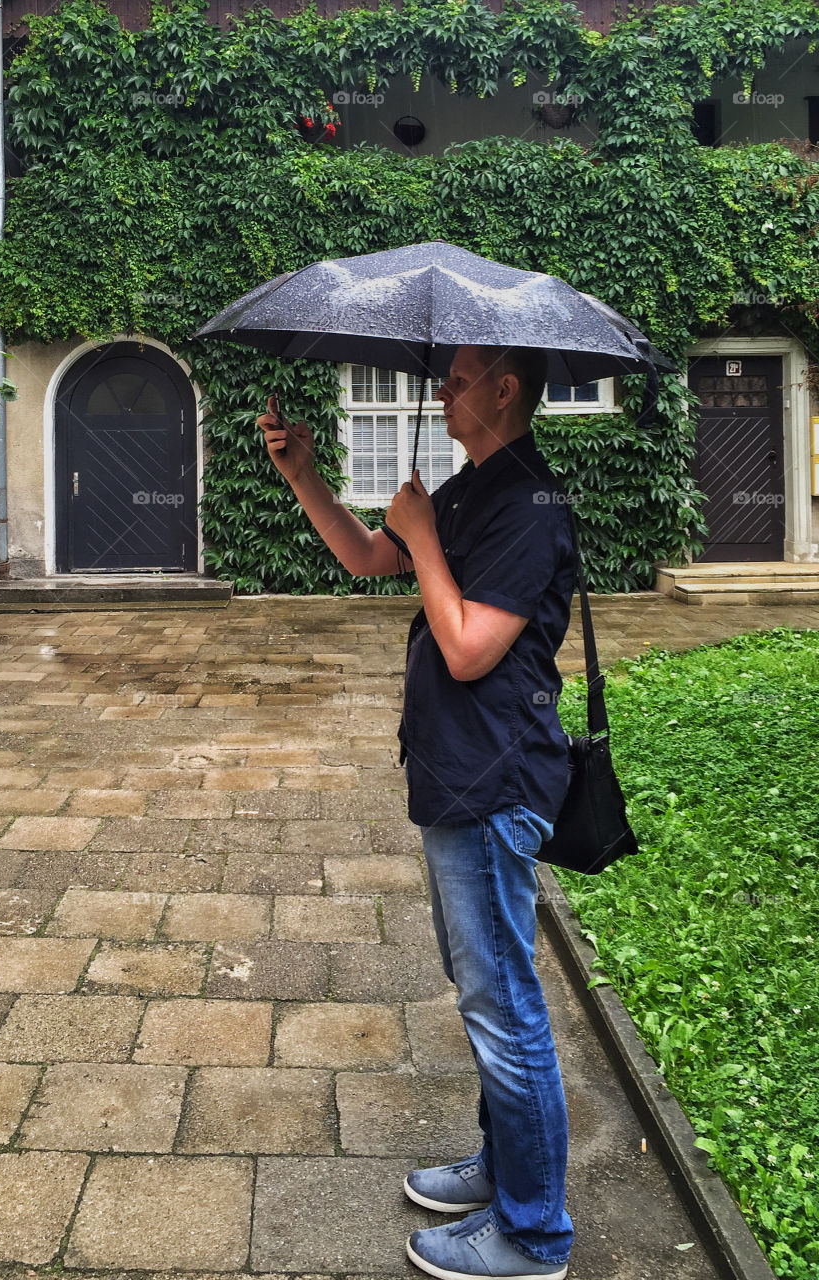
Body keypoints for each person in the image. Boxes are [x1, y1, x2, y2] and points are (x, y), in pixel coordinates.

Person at [257, 344, 576, 1280]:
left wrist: (426, 538)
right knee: (485, 992)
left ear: (505, 390)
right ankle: (505, 1169)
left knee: (503, 1003)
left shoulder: (529, 504)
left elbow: (471, 647)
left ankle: (533, 1235)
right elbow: (367, 557)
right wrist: (305, 475)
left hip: (494, 780)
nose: (441, 390)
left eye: (458, 378)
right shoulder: (477, 487)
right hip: (456, 773)